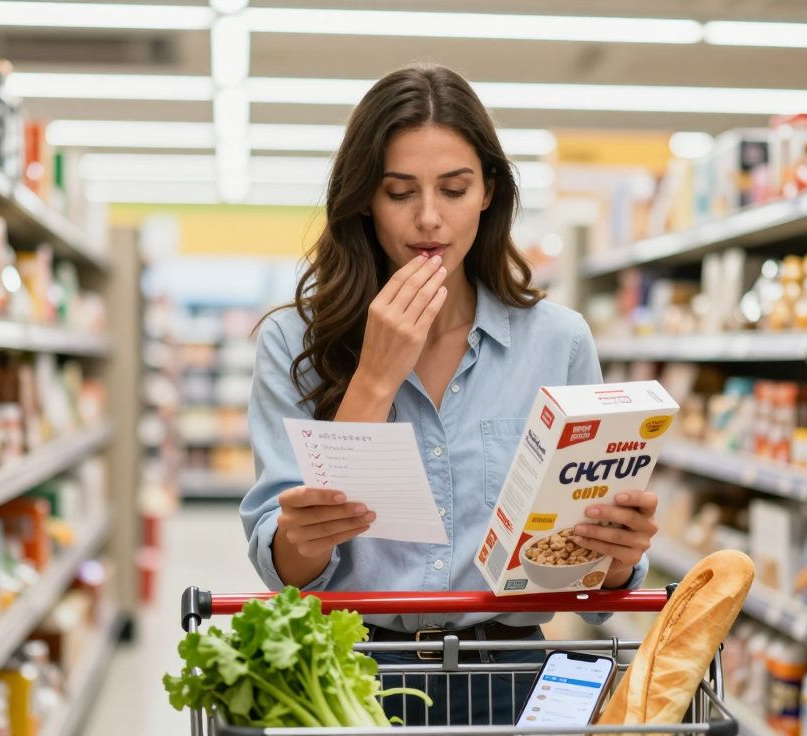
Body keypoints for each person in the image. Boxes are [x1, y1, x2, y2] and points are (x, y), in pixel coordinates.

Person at [239, 63, 659, 727]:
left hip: (512, 678)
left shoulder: (558, 341)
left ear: (489, 191)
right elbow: (288, 569)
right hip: (352, 679)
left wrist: (614, 558)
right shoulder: (292, 342)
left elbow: (587, 586)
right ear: (363, 200)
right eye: (399, 191)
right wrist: (375, 378)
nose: (428, 219)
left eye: (454, 188)